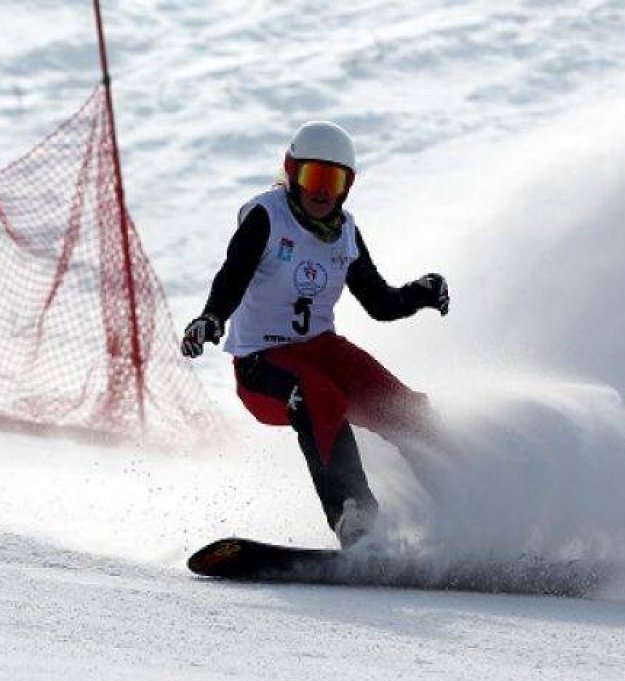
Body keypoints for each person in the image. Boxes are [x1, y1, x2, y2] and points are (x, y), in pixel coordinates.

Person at [180, 120, 449, 548]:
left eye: (333, 179)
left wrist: (418, 294)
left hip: (321, 351)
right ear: (292, 173)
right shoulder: (267, 218)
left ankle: (469, 499)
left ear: (347, 185)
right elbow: (231, 277)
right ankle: (354, 515)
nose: (321, 191)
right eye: (312, 177)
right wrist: (211, 319)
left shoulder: (345, 233)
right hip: (262, 366)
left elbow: (378, 303)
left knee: (401, 405)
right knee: (317, 394)